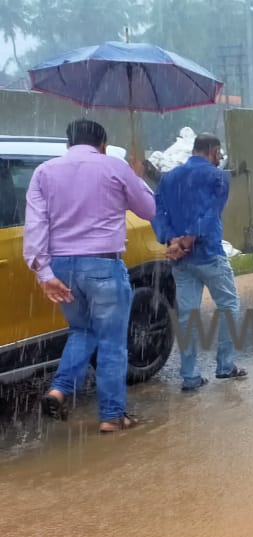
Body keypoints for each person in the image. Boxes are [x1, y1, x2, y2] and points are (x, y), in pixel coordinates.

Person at [24, 119, 155, 433]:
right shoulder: (115, 166)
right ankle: (112, 416)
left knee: (82, 331)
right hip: (103, 265)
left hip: (61, 268)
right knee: (112, 343)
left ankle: (59, 390)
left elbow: (35, 225)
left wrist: (43, 273)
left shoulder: (44, 172)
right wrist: (137, 178)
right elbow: (149, 209)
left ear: (68, 145)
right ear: (104, 146)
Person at [153, 133, 247, 391]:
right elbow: (210, 214)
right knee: (229, 305)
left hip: (181, 260)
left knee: (187, 315)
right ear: (213, 150)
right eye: (219, 153)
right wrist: (190, 238)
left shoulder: (169, 177)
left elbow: (157, 211)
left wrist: (171, 239)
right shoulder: (218, 177)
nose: (220, 157)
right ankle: (225, 366)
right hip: (209, 254)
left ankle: (190, 375)